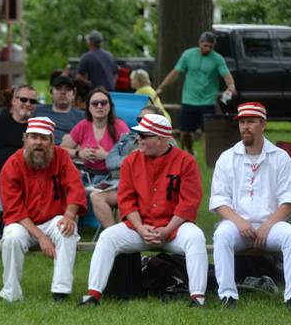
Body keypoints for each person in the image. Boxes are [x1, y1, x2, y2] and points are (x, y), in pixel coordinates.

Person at [79, 114, 208, 308]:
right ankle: (92, 295)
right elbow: (126, 200)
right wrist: (140, 228)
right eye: (138, 135)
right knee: (108, 237)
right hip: (141, 228)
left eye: (144, 135)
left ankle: (198, 298)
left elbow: (189, 202)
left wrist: (167, 229)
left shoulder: (186, 161)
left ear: (160, 139)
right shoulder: (131, 160)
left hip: (174, 228)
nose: (138, 139)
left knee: (196, 237)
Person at [209, 102, 291, 309]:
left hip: (271, 226)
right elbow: (220, 201)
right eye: (242, 122)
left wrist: (268, 225)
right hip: (238, 226)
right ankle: (228, 296)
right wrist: (240, 222)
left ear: (262, 125)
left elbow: (289, 200)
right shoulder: (227, 158)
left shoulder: (281, 158)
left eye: (251, 122)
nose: (245, 127)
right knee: (222, 236)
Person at [0, 117, 86, 303]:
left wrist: (70, 215)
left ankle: (60, 292)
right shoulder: (12, 165)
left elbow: (75, 188)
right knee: (12, 237)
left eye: (44, 138)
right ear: (25, 139)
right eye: (34, 137)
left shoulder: (61, 157)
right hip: (23, 223)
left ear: (52, 142)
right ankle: (11, 294)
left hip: (54, 218)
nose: (38, 143)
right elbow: (14, 210)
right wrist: (41, 237)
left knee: (66, 230)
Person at [156, 31, 237, 155]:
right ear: (199, 43)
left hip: (207, 101)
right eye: (205, 45)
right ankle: (190, 152)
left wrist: (231, 86)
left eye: (211, 47)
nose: (208, 49)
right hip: (189, 100)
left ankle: (209, 160)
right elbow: (175, 73)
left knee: (207, 133)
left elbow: (226, 75)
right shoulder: (188, 55)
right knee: (185, 132)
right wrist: (162, 87)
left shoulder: (217, 59)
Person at [89, 104, 166, 228]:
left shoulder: (164, 141)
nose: (142, 123)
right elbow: (110, 160)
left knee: (125, 202)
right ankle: (113, 234)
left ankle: (125, 239)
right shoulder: (128, 138)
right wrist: (132, 159)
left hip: (147, 189)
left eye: (147, 120)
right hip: (118, 183)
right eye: (140, 120)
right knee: (96, 196)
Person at [60, 87, 129, 186]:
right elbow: (62, 149)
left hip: (112, 176)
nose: (99, 106)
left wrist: (106, 156)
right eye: (95, 103)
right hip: (86, 174)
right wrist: (79, 153)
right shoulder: (83, 125)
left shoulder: (120, 126)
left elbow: (131, 158)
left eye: (103, 102)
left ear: (110, 106)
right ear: (88, 107)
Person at [33, 74, 84, 145]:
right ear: (51, 92)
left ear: (74, 94)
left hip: (69, 152)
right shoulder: (36, 111)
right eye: (58, 88)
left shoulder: (82, 117)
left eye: (67, 89)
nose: (63, 92)